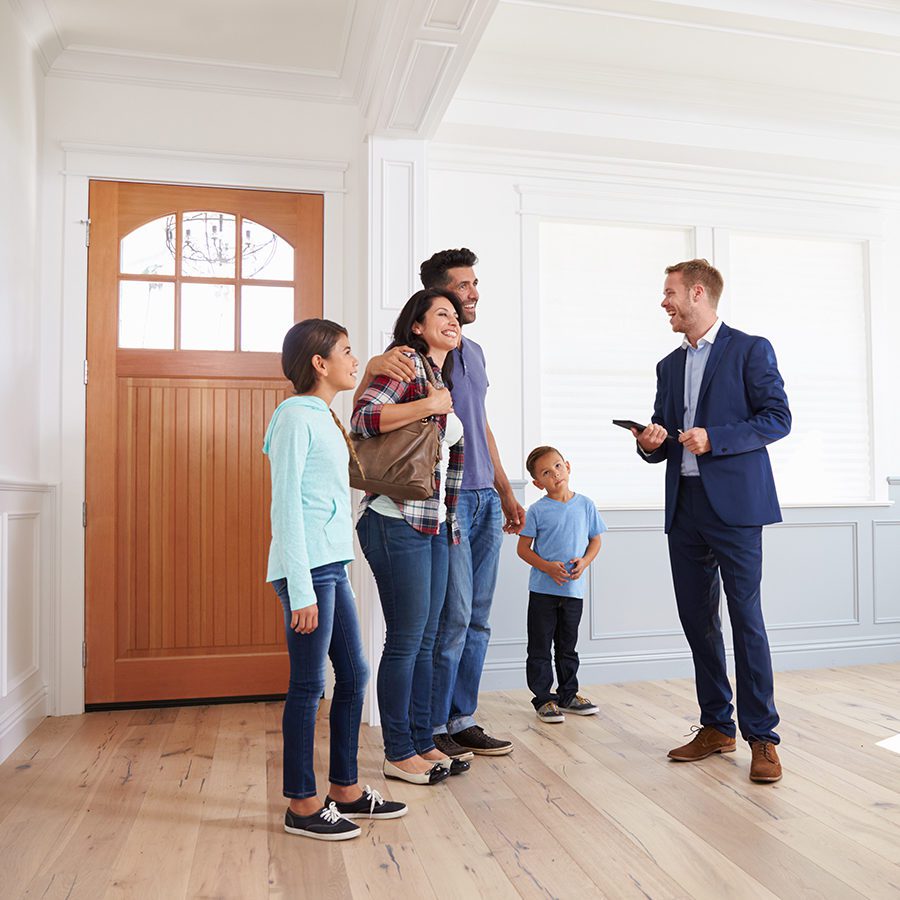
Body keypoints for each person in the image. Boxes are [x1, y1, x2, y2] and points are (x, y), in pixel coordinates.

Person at [358, 248, 525, 759]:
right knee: (440, 625)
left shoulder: (469, 355)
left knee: (473, 619)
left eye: (473, 288)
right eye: (459, 290)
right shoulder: (406, 362)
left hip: (468, 499)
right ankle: (426, 730)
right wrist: (371, 367)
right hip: (422, 507)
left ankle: (457, 718)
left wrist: (504, 487)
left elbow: (479, 426)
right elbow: (366, 413)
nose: (470, 296)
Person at [633, 259, 791, 784]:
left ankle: (763, 738)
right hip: (685, 508)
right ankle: (717, 726)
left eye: (669, 294)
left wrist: (715, 438)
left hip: (737, 509)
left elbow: (777, 418)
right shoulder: (667, 366)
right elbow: (663, 438)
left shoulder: (750, 349)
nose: (664, 303)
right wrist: (650, 441)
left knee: (746, 620)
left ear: (697, 293)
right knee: (698, 622)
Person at [265, 319, 407, 841]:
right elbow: (287, 509)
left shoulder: (322, 415)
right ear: (319, 363)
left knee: (353, 674)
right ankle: (301, 804)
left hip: (331, 566)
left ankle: (344, 789)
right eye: (347, 352)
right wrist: (300, 589)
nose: (355, 360)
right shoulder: (293, 418)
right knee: (308, 686)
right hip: (307, 572)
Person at [352, 289, 470, 784]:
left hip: (432, 522)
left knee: (426, 640)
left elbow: (442, 462)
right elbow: (363, 420)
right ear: (416, 327)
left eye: (456, 315)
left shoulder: (439, 377)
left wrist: (452, 521)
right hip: (394, 517)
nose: (454, 320)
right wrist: (429, 403)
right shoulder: (404, 366)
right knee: (406, 641)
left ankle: (422, 743)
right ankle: (398, 752)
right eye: (441, 313)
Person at [517, 446, 606, 723]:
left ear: (567, 466)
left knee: (568, 646)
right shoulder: (537, 511)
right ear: (537, 483)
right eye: (546, 472)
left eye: (557, 466)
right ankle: (543, 698)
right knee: (540, 646)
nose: (554, 474)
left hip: (573, 591)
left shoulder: (586, 505)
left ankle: (568, 695)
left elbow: (595, 540)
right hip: (543, 592)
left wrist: (585, 562)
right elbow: (523, 549)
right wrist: (546, 567)